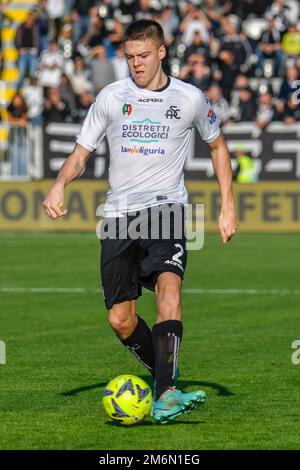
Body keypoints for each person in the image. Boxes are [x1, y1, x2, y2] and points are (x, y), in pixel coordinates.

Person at [43, 19, 238, 424]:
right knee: (121, 319)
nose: (136, 64)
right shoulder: (111, 98)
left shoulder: (189, 98)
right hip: (117, 217)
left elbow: (218, 147)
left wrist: (227, 205)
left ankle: (165, 393)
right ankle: (165, 371)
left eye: (144, 56)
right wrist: (60, 183)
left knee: (170, 286)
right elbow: (80, 154)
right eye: (130, 57)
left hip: (167, 209)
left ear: (162, 52)